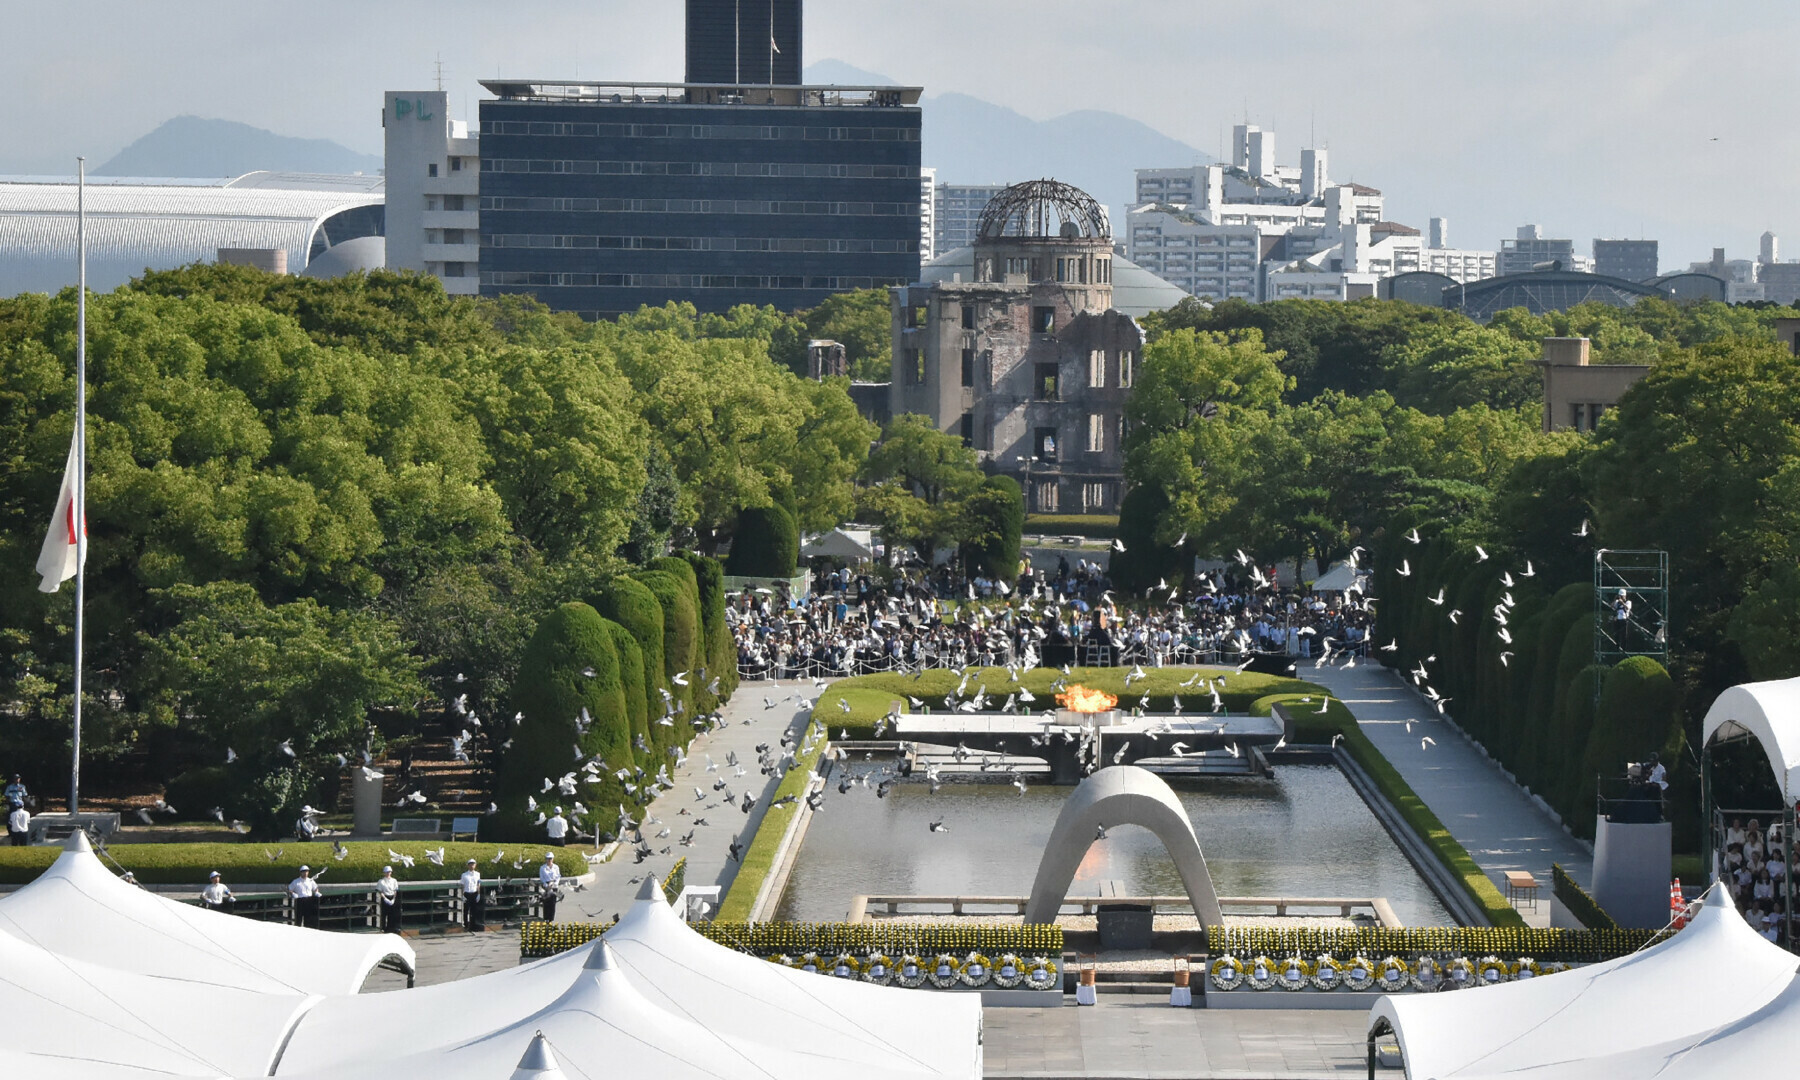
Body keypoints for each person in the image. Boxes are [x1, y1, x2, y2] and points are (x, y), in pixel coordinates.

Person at [374, 865, 401, 933]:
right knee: (384, 914)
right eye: (386, 872)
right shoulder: (381, 881)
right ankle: (383, 928)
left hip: (392, 897)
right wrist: (385, 899)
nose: (388, 873)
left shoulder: (394, 880)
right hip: (385, 897)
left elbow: (395, 890)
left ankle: (391, 928)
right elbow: (380, 891)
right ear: (384, 873)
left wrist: (393, 899)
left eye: (389, 872)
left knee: (392, 914)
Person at [459, 859, 483, 931]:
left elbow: (478, 884)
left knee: (474, 911)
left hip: (474, 893)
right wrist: (462, 895)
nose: (472, 866)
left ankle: (473, 925)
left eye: (473, 864)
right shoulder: (464, 875)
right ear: (468, 865)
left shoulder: (477, 874)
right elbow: (462, 886)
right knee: (466, 910)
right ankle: (466, 925)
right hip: (467, 893)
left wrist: (478, 894)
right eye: (470, 864)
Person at [538, 852, 562, 920]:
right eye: (548, 859)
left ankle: (551, 919)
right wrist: (545, 884)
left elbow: (558, 876)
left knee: (552, 903)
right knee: (546, 903)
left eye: (550, 859)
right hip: (546, 886)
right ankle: (546, 918)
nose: (549, 860)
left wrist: (556, 883)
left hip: (554, 885)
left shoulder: (556, 867)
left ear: (553, 859)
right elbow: (542, 878)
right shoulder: (542, 868)